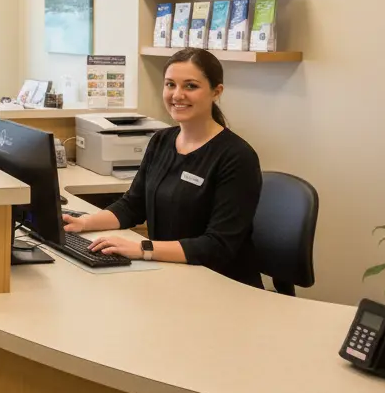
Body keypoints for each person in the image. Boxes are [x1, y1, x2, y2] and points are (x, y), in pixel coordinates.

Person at [63, 48, 263, 286]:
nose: (177, 95)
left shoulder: (236, 157)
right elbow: (133, 205)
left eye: (190, 86)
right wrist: (84, 223)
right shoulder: (162, 140)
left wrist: (142, 248)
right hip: (171, 272)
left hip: (221, 283)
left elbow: (218, 246)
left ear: (216, 92)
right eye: (170, 85)